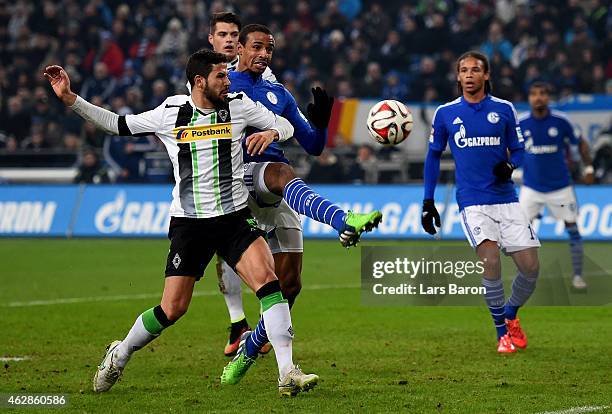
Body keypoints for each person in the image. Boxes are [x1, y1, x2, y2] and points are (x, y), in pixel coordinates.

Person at [44, 49, 318, 396]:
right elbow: (116, 124)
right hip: (191, 224)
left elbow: (284, 123)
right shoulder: (171, 112)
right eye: (221, 75)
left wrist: (272, 134)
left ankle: (287, 372)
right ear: (199, 81)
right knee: (173, 308)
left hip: (234, 218)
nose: (228, 80)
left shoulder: (238, 105)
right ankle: (121, 352)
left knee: (269, 283)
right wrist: (70, 99)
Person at [207, 18, 383, 360]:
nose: (263, 54)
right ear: (239, 49)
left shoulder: (280, 94)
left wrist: (322, 122)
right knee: (282, 171)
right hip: (243, 175)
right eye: (256, 47)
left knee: (289, 284)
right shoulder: (224, 85)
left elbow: (314, 146)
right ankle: (342, 220)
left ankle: (250, 347)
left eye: (269, 48)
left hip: (274, 186)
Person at [421, 51, 540, 354]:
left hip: (507, 199)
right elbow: (433, 156)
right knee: (490, 261)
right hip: (472, 201)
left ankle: (510, 314)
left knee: (530, 269)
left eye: (476, 70)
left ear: (486, 75)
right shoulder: (446, 113)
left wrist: (512, 167)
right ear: (458, 77)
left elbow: (520, 150)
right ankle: (501, 333)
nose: (470, 75)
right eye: (464, 70)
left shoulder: (504, 109)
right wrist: (428, 200)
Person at [518, 81, 594, 290]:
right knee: (520, 232)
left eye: (542, 93)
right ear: (529, 98)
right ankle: (525, 274)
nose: (538, 97)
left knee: (572, 228)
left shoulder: (561, 121)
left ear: (548, 97)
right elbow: (509, 149)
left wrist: (588, 169)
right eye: (534, 94)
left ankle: (578, 276)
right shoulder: (521, 123)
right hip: (531, 188)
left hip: (560, 187)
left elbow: (581, 143)